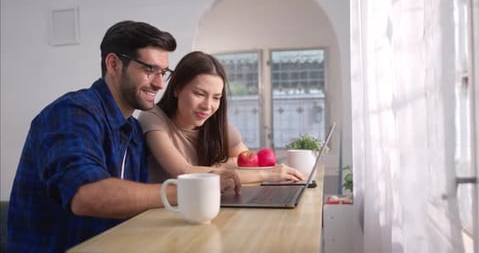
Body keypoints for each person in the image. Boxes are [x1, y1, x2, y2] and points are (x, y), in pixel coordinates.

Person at [7, 21, 240, 253]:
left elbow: (135, 207)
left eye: (163, 73)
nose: (159, 84)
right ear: (113, 64)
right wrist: (193, 190)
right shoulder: (71, 112)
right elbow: (87, 195)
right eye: (149, 70)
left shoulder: (133, 131)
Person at [138, 51, 306, 184]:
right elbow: (184, 171)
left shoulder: (216, 123)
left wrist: (221, 166)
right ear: (177, 89)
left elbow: (248, 163)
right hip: (164, 215)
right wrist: (267, 174)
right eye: (199, 94)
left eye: (216, 97)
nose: (208, 105)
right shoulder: (152, 118)